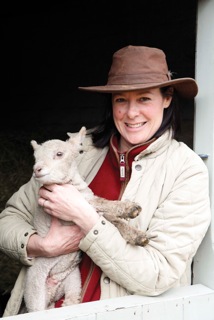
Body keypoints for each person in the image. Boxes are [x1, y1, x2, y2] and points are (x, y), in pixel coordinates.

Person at [0, 45, 211, 317]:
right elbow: (8, 219)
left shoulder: (186, 169)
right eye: (121, 100)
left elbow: (157, 274)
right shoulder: (74, 152)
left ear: (167, 98)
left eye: (144, 99)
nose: (131, 113)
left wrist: (84, 217)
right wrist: (41, 245)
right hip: (47, 309)